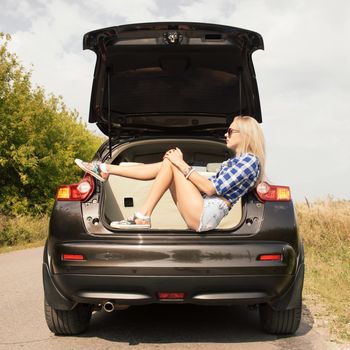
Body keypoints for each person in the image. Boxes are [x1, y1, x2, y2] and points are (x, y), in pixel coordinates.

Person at [75, 115, 265, 232]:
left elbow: (210, 187)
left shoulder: (249, 161)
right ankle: (106, 169)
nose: (226, 134)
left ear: (246, 134)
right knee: (168, 163)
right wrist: (177, 165)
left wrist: (181, 164)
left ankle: (141, 216)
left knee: (172, 163)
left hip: (206, 214)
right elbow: (207, 188)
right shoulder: (237, 162)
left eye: (230, 131)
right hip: (203, 210)